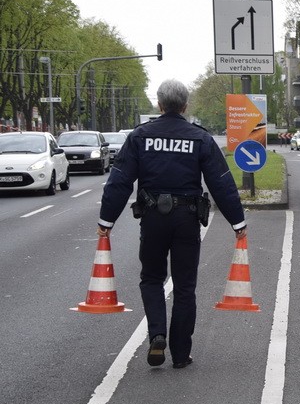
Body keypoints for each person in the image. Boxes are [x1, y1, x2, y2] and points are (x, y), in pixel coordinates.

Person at [97, 80, 247, 369]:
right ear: (185, 105)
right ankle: (180, 354)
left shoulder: (140, 137)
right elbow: (221, 183)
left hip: (152, 217)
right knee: (184, 286)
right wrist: (237, 222)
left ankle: (156, 335)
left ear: (159, 104)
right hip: (186, 219)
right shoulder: (199, 138)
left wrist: (107, 220)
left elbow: (120, 181)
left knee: (152, 279)